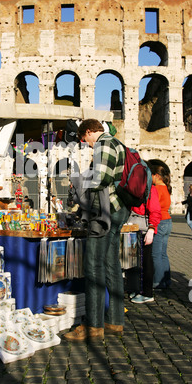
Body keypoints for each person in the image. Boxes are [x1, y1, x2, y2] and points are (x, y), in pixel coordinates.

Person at [64, 119, 130, 342]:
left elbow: (100, 179)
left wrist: (82, 192)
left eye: (85, 140)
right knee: (112, 264)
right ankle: (115, 321)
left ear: (90, 132)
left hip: (105, 211)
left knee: (93, 265)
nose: (87, 145)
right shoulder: (119, 144)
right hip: (119, 209)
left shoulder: (103, 144)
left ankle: (93, 325)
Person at [128, 183, 161, 303]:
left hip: (144, 225)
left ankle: (147, 293)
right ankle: (135, 288)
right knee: (132, 260)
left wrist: (152, 229)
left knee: (145, 260)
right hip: (131, 224)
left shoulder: (150, 188)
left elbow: (155, 209)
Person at [148, 161, 172, 290]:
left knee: (155, 254)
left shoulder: (156, 189)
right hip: (167, 221)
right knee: (163, 253)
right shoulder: (166, 188)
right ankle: (167, 279)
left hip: (159, 221)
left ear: (157, 175)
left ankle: (158, 282)